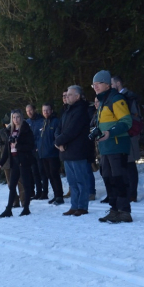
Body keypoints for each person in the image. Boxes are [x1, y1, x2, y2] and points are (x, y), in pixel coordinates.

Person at [92, 70, 134, 223]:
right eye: (93, 84)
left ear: (107, 84)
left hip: (117, 145)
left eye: (98, 84)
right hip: (106, 148)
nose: (95, 87)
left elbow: (126, 121)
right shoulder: (103, 102)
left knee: (119, 178)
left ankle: (124, 210)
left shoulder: (116, 99)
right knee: (108, 178)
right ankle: (114, 209)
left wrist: (110, 133)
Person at [55, 85, 92, 216]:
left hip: (78, 150)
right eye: (66, 95)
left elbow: (73, 130)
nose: (67, 97)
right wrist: (58, 142)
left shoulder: (81, 110)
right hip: (66, 151)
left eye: (70, 95)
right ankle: (74, 205)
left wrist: (59, 141)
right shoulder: (67, 110)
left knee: (81, 180)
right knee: (72, 181)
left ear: (77, 96)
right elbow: (59, 129)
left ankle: (82, 206)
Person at [0, 109, 37, 217]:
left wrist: (18, 145)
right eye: (14, 117)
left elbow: (30, 145)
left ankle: (26, 208)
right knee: (12, 185)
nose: (16, 119)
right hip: (14, 161)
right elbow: (7, 149)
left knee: (26, 184)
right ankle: (9, 209)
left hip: (24, 160)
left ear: (21, 117)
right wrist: (1, 162)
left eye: (18, 117)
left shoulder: (26, 130)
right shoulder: (10, 131)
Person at [111, 76, 143, 203]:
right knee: (123, 165)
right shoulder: (114, 98)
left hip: (129, 134)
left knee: (130, 165)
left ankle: (132, 194)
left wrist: (130, 132)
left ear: (118, 83)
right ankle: (127, 192)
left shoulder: (129, 97)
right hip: (120, 135)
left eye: (112, 83)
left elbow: (135, 117)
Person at [37, 103, 64, 205]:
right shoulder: (43, 122)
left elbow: (57, 136)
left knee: (54, 174)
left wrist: (53, 146)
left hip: (53, 153)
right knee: (49, 175)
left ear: (51, 110)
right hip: (43, 154)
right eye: (44, 110)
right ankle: (56, 195)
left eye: (47, 110)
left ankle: (59, 196)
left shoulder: (55, 121)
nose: (46, 112)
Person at [24, 104, 47, 199]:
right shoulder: (27, 122)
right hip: (30, 151)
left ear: (34, 109)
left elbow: (42, 135)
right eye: (27, 111)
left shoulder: (41, 120)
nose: (29, 113)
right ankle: (38, 191)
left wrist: (38, 146)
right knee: (34, 172)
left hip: (39, 149)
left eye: (30, 110)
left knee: (42, 171)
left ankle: (45, 192)